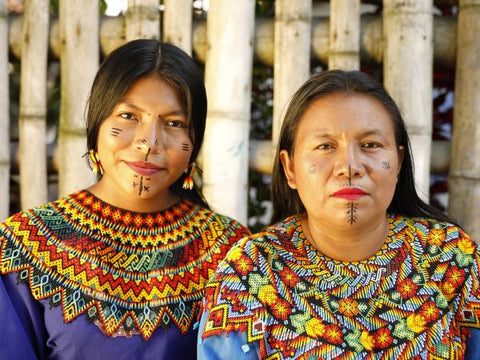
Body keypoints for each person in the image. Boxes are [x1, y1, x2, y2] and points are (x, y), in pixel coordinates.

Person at [197, 70, 480, 359]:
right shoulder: (249, 275)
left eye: (370, 145)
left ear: (398, 161)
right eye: (325, 146)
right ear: (290, 167)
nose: (349, 166)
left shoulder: (454, 262)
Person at [0, 39, 250, 360]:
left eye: (174, 123)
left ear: (195, 141)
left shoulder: (232, 252)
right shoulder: (23, 246)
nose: (149, 142)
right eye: (129, 116)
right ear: (97, 125)